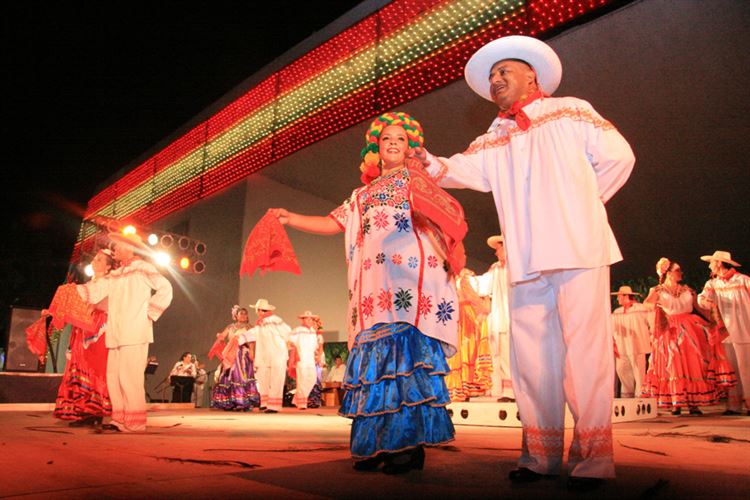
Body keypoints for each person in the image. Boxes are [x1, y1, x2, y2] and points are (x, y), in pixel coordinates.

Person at [414, 36, 635, 490]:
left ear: (531, 75)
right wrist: (427, 161)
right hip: (527, 256)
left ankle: (594, 459)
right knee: (532, 358)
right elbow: (461, 170)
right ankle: (540, 456)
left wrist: (584, 207)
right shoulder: (496, 136)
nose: (495, 81)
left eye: (503, 72)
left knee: (586, 355)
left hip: (579, 248)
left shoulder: (572, 110)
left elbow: (619, 156)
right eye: (492, 76)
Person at [269, 111, 460, 474]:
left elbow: (444, 221)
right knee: (377, 368)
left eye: (400, 138)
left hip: (407, 284)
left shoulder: (416, 182)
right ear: (376, 147)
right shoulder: (359, 196)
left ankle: (409, 446)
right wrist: (289, 218)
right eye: (386, 137)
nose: (392, 142)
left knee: (404, 365)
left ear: (410, 148)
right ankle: (379, 444)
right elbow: (332, 222)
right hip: (372, 291)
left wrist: (450, 258)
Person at [77, 231, 173, 432]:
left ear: (130, 247)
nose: (114, 250)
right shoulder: (116, 274)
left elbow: (166, 288)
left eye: (118, 246)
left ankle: (135, 422)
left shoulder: (143, 268)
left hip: (135, 330)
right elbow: (96, 291)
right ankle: (119, 419)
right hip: (117, 331)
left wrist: (149, 313)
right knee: (115, 376)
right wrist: (72, 292)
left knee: (130, 377)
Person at [641, 259, 735, 414]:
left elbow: (700, 308)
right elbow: (647, 304)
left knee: (694, 363)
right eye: (678, 271)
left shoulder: (687, 290)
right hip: (670, 329)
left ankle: (693, 403)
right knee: (673, 363)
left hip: (691, 328)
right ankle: (676, 403)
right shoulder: (658, 290)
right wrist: (656, 306)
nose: (681, 274)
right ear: (669, 274)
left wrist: (713, 311)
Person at [52, 248, 115, 426]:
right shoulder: (91, 283)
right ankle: (81, 409)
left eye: (100, 260)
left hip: (98, 328)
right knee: (79, 363)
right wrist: (53, 310)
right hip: (83, 326)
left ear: (109, 267)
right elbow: (77, 296)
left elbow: (92, 298)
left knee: (94, 366)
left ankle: (94, 411)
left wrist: (66, 295)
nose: (95, 261)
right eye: (95, 259)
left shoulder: (109, 282)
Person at [698, 251, 750, 415]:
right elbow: (702, 298)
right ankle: (734, 405)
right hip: (725, 332)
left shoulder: (743, 280)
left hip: (744, 329)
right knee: (731, 369)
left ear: (719, 263)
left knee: (746, 368)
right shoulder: (713, 283)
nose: (709, 265)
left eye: (711, 262)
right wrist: (704, 301)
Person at [476, 235, 514, 401]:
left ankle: (511, 392)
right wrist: (463, 279)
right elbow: (482, 284)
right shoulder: (496, 269)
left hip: (513, 319)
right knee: (497, 353)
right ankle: (498, 389)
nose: (496, 252)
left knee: (508, 354)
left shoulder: (518, 268)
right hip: (499, 318)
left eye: (498, 248)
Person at [445, 268, 491, 401]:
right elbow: (475, 300)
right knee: (467, 350)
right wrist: (485, 309)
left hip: (460, 316)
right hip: (465, 315)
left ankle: (462, 388)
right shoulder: (463, 279)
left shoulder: (457, 279)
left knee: (463, 351)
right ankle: (465, 387)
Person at [244, 298, 291, 413]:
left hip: (277, 354)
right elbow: (252, 334)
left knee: (276, 379)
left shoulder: (275, 320)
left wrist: (289, 346)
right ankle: (265, 403)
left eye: (258, 310)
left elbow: (287, 331)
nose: (257, 312)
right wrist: (239, 338)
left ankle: (274, 406)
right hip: (264, 355)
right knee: (262, 378)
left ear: (260, 310)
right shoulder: (259, 324)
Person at [211, 306, 260, 411]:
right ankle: (229, 401)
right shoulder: (230, 327)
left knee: (240, 376)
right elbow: (223, 336)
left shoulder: (249, 327)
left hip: (242, 355)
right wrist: (220, 338)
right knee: (228, 376)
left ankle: (241, 401)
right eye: (241, 313)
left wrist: (252, 351)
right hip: (230, 355)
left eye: (245, 314)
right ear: (236, 316)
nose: (243, 315)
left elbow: (252, 341)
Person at [610, 286, 652, 398]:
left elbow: (651, 323)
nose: (617, 298)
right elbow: (611, 328)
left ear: (625, 296)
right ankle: (627, 396)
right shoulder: (617, 312)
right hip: (622, 346)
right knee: (622, 370)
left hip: (637, 345)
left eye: (619, 295)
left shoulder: (641, 309)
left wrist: (652, 336)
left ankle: (640, 397)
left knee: (638, 372)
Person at [289, 311, 324, 410]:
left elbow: (316, 346)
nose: (309, 320)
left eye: (311, 319)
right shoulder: (298, 330)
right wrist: (295, 353)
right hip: (301, 358)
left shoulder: (313, 331)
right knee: (302, 380)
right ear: (302, 320)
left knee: (312, 379)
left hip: (310, 359)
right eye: (307, 318)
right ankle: (302, 403)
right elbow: (290, 341)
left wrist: (317, 356)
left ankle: (297, 399)